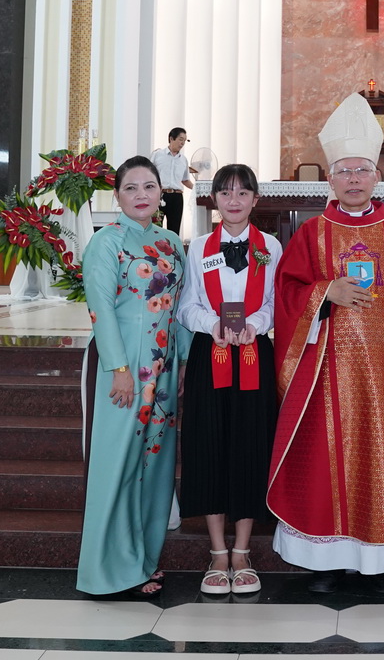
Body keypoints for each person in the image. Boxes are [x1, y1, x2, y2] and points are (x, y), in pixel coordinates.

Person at [267, 93, 384, 594]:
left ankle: (383, 562)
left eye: (361, 171)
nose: (353, 179)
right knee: (325, 464)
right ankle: (326, 562)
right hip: (326, 378)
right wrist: (325, 292)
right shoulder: (311, 234)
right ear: (330, 180)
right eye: (344, 171)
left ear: (377, 177)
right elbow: (286, 294)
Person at [76, 155, 188, 596]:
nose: (141, 195)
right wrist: (119, 370)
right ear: (118, 195)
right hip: (121, 368)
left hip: (163, 371)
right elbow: (100, 309)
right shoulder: (106, 243)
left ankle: (142, 561)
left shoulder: (171, 242)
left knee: (154, 467)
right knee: (118, 465)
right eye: (131, 188)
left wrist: (181, 363)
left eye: (149, 187)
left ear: (161, 193)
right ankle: (109, 571)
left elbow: (179, 308)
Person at [176, 163, 281, 595]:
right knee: (209, 446)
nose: (233, 201)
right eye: (225, 193)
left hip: (256, 353)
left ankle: (242, 551)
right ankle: (218, 552)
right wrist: (212, 325)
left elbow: (277, 300)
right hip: (211, 352)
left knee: (250, 446)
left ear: (256, 199)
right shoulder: (199, 246)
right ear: (213, 199)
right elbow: (186, 305)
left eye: (242, 193)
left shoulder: (270, 246)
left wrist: (255, 323)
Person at [150, 128, 193, 234]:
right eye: (180, 139)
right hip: (160, 195)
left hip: (177, 197)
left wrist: (198, 189)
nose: (182, 143)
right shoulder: (157, 155)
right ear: (171, 139)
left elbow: (185, 180)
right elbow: (148, 174)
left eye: (185, 140)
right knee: (155, 228)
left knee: (174, 231)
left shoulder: (183, 159)